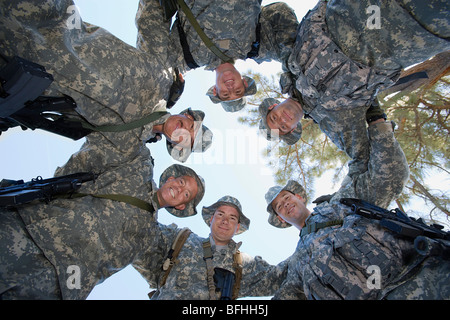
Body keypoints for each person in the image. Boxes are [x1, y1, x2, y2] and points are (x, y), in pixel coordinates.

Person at [0, 0, 212, 162]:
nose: (183, 131)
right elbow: (152, 17)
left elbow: (87, 171)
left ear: (176, 145)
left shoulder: (125, 145)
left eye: (186, 139)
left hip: (22, 72)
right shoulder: (164, 78)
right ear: (186, 115)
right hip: (52, 20)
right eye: (191, 126)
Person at [264, 118, 450, 299]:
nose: (285, 203)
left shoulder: (340, 203)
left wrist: (377, 122)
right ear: (281, 219)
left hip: (429, 276)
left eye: (286, 197)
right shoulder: (297, 265)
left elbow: (386, 175)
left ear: (299, 197)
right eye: (279, 206)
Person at [259, 0, 450, 175]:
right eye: (283, 126)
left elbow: (275, 14)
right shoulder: (337, 121)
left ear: (272, 106)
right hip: (415, 30)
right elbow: (367, 164)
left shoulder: (287, 59)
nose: (282, 119)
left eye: (274, 118)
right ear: (293, 129)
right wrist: (338, 206)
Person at [0, 159, 205, 300]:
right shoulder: (136, 171)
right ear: (170, 179)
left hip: (53, 284)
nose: (179, 190)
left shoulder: (150, 237)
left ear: (180, 206)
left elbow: (166, 274)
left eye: (186, 195)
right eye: (181, 182)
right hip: (26, 237)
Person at [136, 0, 299, 112]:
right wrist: (293, 73)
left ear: (215, 90)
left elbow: (152, 53)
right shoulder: (256, 47)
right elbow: (280, 12)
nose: (231, 88)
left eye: (226, 94)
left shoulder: (188, 58)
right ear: (243, 81)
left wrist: (165, 93)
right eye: (238, 91)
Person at [133, 196, 287, 299]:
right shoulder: (180, 239)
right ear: (211, 219)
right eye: (220, 214)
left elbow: (284, 275)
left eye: (232, 218)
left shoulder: (245, 264)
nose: (225, 220)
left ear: (237, 227)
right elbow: (141, 231)